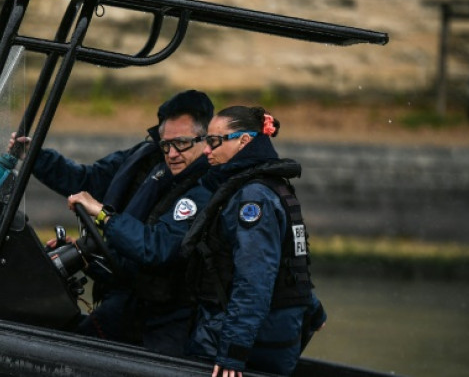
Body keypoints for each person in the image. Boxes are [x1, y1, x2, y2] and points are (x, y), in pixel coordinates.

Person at [18, 89, 214, 355]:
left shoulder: (206, 188)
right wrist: (35, 156)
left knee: (65, 352)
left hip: (166, 317)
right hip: (127, 296)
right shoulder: (147, 159)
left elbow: (157, 248)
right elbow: (88, 180)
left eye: (182, 143)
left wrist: (102, 215)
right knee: (50, 337)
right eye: (166, 144)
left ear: (206, 140)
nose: (172, 153)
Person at [181, 106, 326, 377]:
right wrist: (314, 310)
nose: (206, 151)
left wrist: (233, 352)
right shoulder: (271, 186)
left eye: (214, 142)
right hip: (274, 334)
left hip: (251, 342)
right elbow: (288, 266)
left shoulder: (253, 198)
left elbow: (255, 278)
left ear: (244, 142)